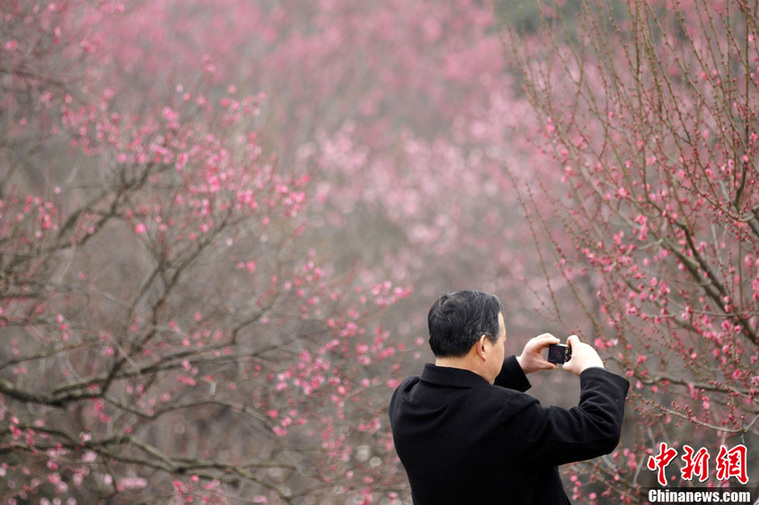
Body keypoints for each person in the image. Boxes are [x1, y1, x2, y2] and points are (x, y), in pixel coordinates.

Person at [389, 290, 629, 504]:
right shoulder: (507, 415)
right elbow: (599, 428)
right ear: (483, 346)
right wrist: (593, 370)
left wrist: (519, 366)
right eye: (501, 340)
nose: (503, 346)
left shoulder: (405, 399)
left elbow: (463, 401)